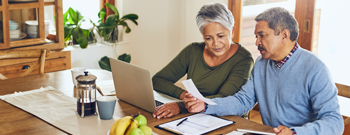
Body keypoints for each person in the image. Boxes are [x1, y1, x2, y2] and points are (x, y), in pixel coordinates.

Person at [184, 7, 344, 135]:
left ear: (284, 35)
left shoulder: (315, 68)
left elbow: (334, 122)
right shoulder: (261, 63)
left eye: (262, 36)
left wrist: (294, 132)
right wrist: (206, 105)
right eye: (256, 36)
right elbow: (243, 101)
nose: (256, 42)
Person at [152, 3, 254, 119]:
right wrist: (185, 96)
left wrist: (180, 106)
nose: (216, 44)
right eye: (208, 38)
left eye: (221, 36)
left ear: (232, 31)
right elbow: (157, 80)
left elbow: (225, 99)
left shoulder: (244, 59)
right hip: (195, 116)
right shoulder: (192, 51)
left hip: (228, 119)